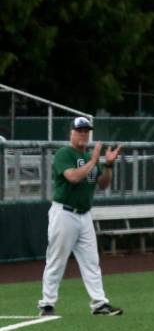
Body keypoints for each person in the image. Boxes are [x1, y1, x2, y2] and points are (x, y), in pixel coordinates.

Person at [38, 116, 123, 317]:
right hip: (64, 212)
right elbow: (73, 177)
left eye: (86, 131)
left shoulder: (88, 158)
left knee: (91, 261)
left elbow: (103, 184)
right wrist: (94, 160)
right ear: (72, 133)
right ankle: (47, 304)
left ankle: (99, 303)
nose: (84, 134)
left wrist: (108, 165)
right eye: (80, 130)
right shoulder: (64, 153)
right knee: (57, 260)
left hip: (84, 215)